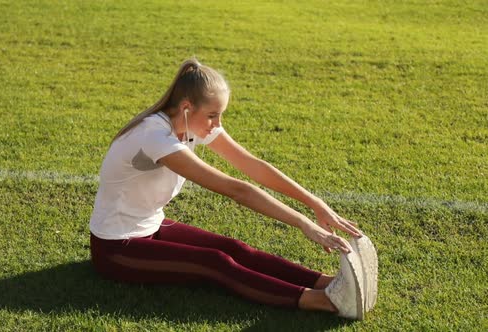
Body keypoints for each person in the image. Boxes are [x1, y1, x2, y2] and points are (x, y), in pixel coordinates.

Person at [89, 58, 369, 319]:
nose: (217, 125)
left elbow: (252, 165)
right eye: (213, 115)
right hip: (116, 248)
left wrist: (315, 203)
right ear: (187, 108)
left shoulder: (190, 124)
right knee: (216, 262)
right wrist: (304, 223)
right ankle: (327, 301)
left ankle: (331, 283)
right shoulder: (155, 137)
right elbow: (238, 190)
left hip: (152, 226)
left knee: (233, 248)